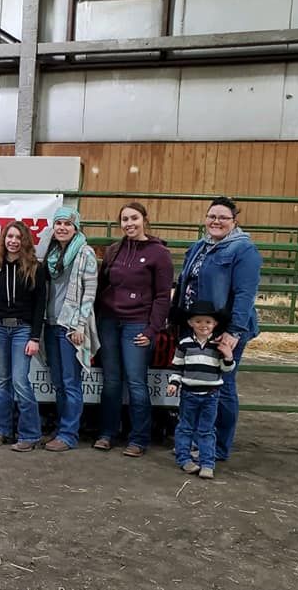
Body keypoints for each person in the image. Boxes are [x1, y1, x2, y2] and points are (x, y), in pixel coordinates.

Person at [172, 196, 261, 461]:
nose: (216, 221)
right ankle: (197, 441)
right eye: (212, 216)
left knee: (221, 384)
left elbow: (245, 294)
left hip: (222, 330)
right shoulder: (200, 246)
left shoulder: (244, 250)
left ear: (234, 221)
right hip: (198, 327)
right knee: (197, 385)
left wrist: (234, 331)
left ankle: (218, 448)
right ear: (205, 219)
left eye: (223, 217)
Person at [94, 202, 173, 457]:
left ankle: (139, 438)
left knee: (137, 382)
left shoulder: (159, 253)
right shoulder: (114, 250)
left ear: (144, 220)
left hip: (137, 324)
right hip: (109, 322)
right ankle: (107, 433)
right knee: (112, 381)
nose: (129, 223)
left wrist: (152, 330)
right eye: (125, 219)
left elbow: (163, 296)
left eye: (134, 218)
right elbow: (103, 286)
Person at [0, 221, 47, 452]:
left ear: (25, 241)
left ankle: (30, 434)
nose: (13, 241)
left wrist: (35, 337)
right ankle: (2, 431)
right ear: (3, 240)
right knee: (4, 382)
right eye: (9, 236)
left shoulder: (35, 269)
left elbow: (40, 306)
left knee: (20, 381)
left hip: (23, 330)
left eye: (18, 237)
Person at [42, 206, 99, 452]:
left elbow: (90, 293)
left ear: (76, 227)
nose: (62, 228)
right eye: (58, 224)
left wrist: (80, 325)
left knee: (70, 381)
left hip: (70, 327)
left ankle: (69, 434)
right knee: (58, 381)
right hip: (51, 322)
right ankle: (62, 428)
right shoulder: (52, 254)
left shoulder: (85, 253)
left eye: (67, 224)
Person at [166, 301, 235, 479]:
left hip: (211, 395)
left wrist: (228, 357)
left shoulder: (218, 345)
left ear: (215, 324)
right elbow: (177, 366)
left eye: (208, 322)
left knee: (207, 429)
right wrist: (174, 382)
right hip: (188, 393)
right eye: (198, 321)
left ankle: (207, 463)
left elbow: (226, 369)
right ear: (190, 323)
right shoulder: (184, 344)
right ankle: (184, 459)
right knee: (185, 427)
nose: (203, 325)